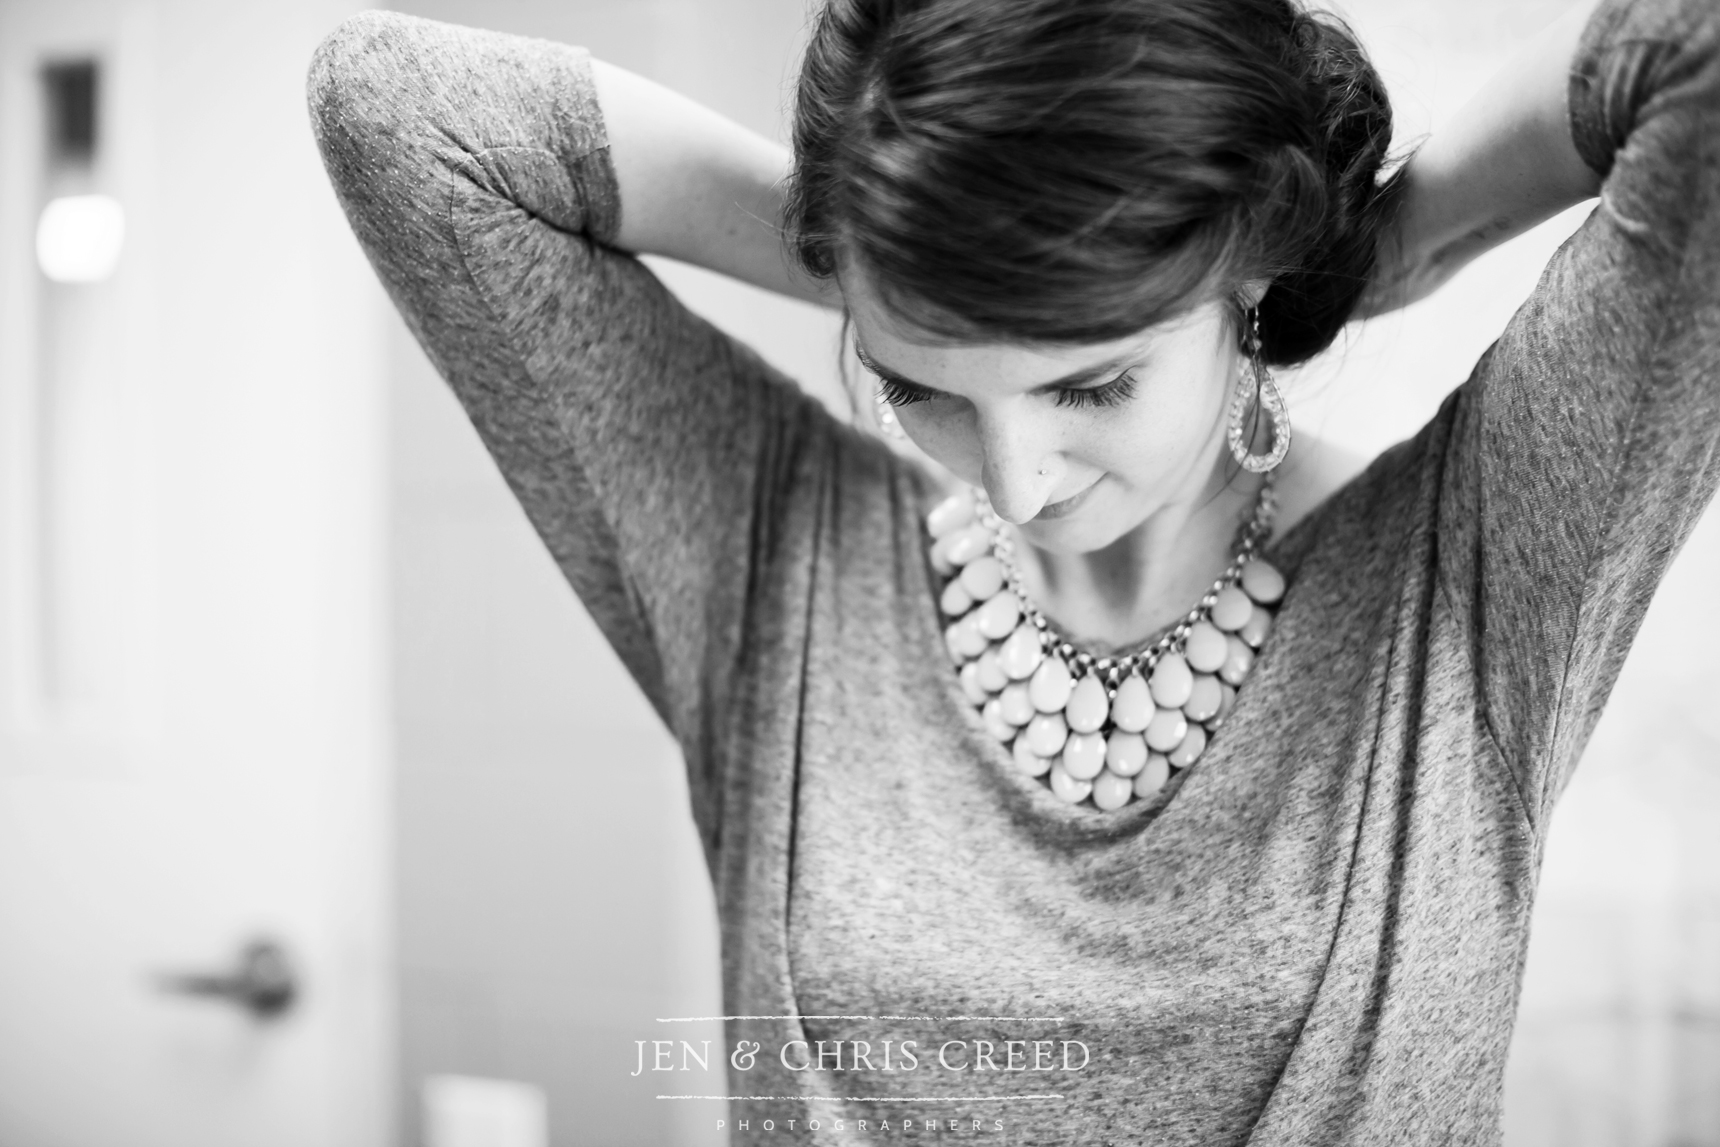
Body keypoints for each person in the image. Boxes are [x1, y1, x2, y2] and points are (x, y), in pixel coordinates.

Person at [307, 0, 1720, 1139]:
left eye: (1093, 382)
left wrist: (1370, 248)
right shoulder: (773, 554)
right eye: (925, 388)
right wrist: (897, 259)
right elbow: (395, 107)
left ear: (1244, 278)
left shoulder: (1474, 575)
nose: (1018, 479)